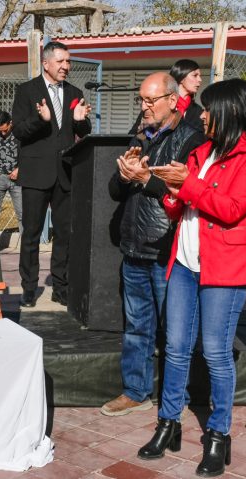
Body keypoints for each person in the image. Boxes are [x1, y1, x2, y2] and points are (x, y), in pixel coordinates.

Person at [137, 78, 246, 477]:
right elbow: (181, 206)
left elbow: (231, 209)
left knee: (215, 352)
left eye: (210, 109)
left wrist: (187, 185)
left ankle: (217, 436)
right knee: (175, 347)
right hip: (184, 260)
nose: (202, 115)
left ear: (231, 111)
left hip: (224, 267)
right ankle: (169, 424)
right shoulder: (199, 151)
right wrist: (168, 190)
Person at [101, 72, 204, 417]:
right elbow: (116, 193)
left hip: (167, 248)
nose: (143, 107)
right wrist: (125, 174)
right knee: (137, 327)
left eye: (150, 100)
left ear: (172, 101)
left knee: (175, 331)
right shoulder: (139, 136)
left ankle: (177, 397)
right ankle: (135, 390)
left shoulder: (191, 140)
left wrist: (146, 179)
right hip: (134, 247)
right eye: (141, 100)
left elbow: (183, 196)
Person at [12, 41, 92, 308]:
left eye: (68, 62)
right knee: (32, 234)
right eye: (61, 61)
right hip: (36, 173)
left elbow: (85, 130)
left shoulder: (74, 92)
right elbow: (19, 131)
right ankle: (28, 288)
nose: (66, 67)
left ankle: (61, 286)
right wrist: (41, 120)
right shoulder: (26, 91)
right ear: (46, 63)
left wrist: (80, 119)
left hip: (66, 173)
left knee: (64, 235)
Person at [129, 59, 204, 135]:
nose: (200, 80)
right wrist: (137, 142)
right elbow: (135, 133)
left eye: (199, 76)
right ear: (181, 76)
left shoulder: (198, 112)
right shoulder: (156, 103)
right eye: (195, 75)